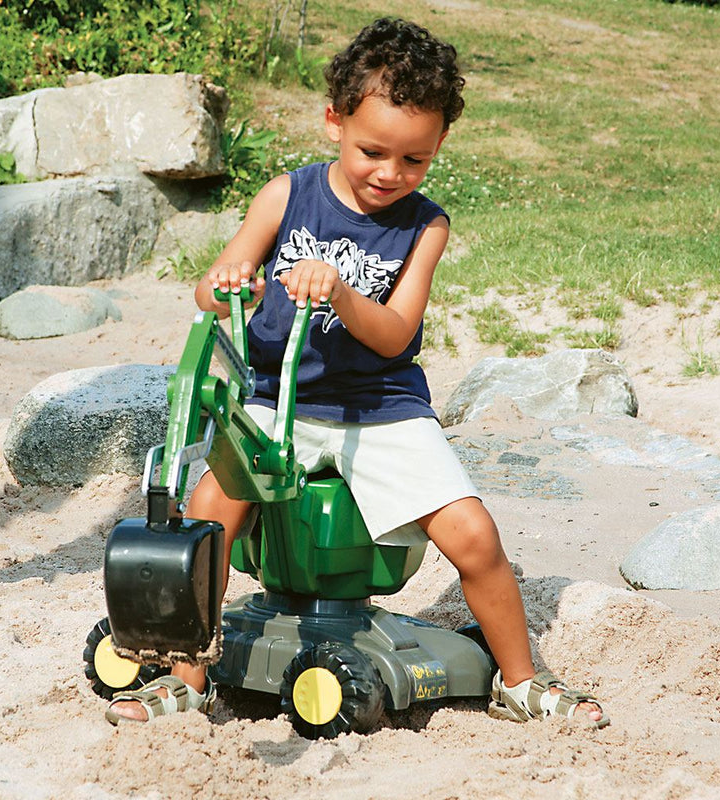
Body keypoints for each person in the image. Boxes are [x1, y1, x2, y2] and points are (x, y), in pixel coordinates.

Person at [105, 16, 609, 729]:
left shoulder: (424, 228)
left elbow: (395, 333)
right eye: (374, 151)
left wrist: (342, 290)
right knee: (209, 513)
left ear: (438, 149)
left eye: (414, 160)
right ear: (334, 120)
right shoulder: (287, 195)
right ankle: (189, 676)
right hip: (277, 403)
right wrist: (231, 285)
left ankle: (521, 680)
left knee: (474, 537)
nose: (390, 174)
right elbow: (212, 287)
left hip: (380, 409)